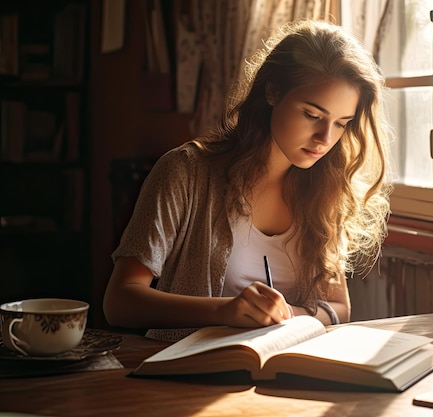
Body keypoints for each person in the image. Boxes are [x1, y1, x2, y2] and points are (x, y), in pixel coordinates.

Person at [103, 19, 393, 341]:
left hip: (285, 371)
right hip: (191, 376)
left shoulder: (326, 188)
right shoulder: (184, 172)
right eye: (312, 115)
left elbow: (338, 306)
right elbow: (120, 302)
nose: (325, 138)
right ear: (272, 92)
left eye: (341, 123)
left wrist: (282, 316)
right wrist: (224, 312)